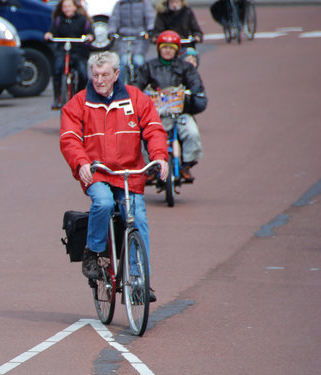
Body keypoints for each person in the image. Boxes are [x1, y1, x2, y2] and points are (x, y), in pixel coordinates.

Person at [60, 50, 168, 301]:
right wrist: (82, 163)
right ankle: (94, 253)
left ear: (116, 74)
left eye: (105, 74)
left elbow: (153, 128)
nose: (99, 79)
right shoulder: (78, 103)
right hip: (98, 171)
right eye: (95, 75)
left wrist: (159, 156)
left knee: (138, 218)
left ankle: (140, 280)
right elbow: (69, 138)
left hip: (129, 172)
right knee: (104, 202)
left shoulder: (135, 98)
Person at [135, 30, 207, 183]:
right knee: (143, 134)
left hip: (179, 112)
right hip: (155, 113)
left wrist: (192, 93)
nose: (167, 50)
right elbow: (137, 84)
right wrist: (138, 95)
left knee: (191, 132)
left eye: (171, 47)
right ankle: (151, 167)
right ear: (159, 48)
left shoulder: (186, 67)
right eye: (164, 47)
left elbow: (195, 84)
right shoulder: (149, 66)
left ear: (177, 50)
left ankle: (186, 166)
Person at [44, 0, 93, 110]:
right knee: (57, 70)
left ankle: (79, 97)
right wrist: (49, 35)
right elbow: (52, 31)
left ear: (75, 7)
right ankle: (57, 98)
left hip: (78, 51)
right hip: (63, 51)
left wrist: (89, 36)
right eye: (64, 6)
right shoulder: (58, 20)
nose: (67, 9)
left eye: (69, 6)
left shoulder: (82, 20)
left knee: (83, 74)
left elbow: (90, 33)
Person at [107, 0, 155, 76]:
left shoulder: (143, 3)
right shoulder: (120, 4)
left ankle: (140, 84)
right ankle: (120, 86)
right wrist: (112, 31)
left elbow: (150, 17)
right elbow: (114, 19)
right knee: (123, 62)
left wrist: (150, 29)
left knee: (139, 61)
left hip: (139, 38)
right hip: (123, 38)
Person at [152, 0, 203, 66]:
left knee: (191, 60)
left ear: (181, 2)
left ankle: (189, 74)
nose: (174, 5)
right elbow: (157, 30)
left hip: (185, 45)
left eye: (177, 2)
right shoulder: (163, 13)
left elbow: (196, 29)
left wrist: (197, 36)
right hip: (169, 45)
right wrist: (156, 37)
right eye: (172, 2)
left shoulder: (187, 12)